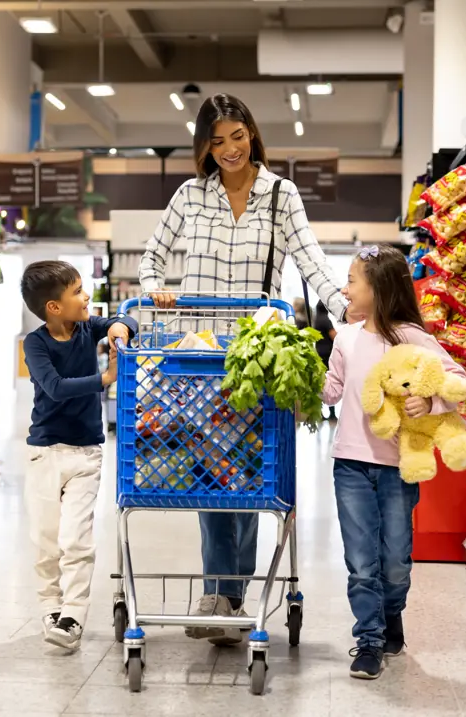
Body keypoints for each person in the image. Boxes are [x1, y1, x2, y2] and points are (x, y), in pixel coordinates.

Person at [139, 93, 348, 645]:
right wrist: (155, 290)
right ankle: (220, 592)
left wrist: (354, 313)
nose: (230, 149)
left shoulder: (282, 195)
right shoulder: (190, 196)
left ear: (252, 133)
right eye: (217, 140)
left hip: (257, 356)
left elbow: (311, 260)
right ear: (204, 147)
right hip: (199, 356)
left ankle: (229, 593)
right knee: (211, 477)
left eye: (238, 136)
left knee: (249, 478)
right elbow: (152, 256)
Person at [321, 246, 466, 680]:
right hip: (349, 462)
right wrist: (302, 383)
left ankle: (392, 610)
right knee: (361, 561)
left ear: (379, 289)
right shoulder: (344, 337)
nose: (345, 290)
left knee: (396, 560)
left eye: (352, 281)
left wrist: (431, 398)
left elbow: (458, 378)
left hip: (396, 466)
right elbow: (333, 389)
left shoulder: (413, 338)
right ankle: (368, 638)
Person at [20, 260, 138, 651]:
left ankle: (73, 615)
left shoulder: (89, 326)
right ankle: (50, 606)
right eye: (77, 292)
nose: (86, 297)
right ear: (54, 306)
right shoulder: (35, 344)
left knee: (76, 538)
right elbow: (54, 387)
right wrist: (104, 379)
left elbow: (126, 320)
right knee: (46, 540)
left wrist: (122, 326)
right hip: (45, 453)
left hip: (86, 453)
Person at [312, 302, 338, 419]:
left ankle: (320, 413)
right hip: (328, 354)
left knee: (321, 382)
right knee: (330, 383)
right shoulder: (326, 320)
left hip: (319, 353)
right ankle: (332, 413)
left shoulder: (316, 320)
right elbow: (334, 336)